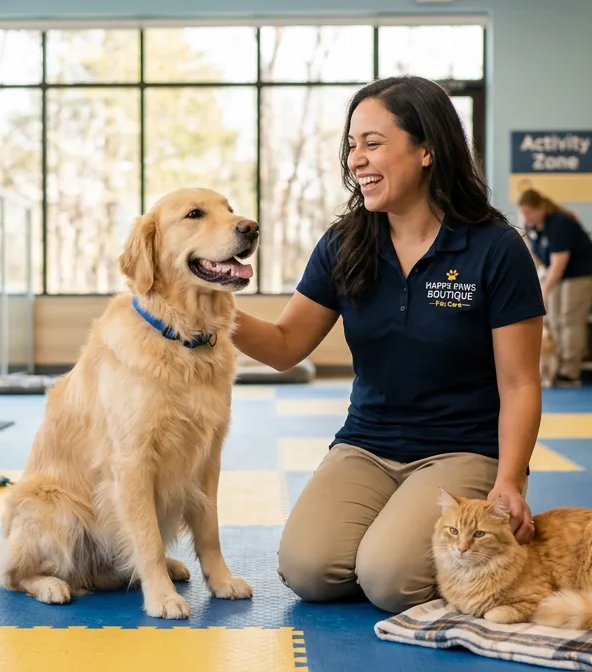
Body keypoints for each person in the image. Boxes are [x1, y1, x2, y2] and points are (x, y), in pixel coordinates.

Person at [230, 75, 545, 614]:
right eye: (351, 145)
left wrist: (510, 481)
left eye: (372, 143)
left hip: (461, 449)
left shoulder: (494, 247)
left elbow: (519, 382)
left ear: (426, 149)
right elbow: (285, 346)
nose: (356, 160)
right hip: (366, 445)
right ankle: (396, 529)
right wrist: (204, 309)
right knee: (308, 570)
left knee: (388, 581)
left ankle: (420, 548)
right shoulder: (345, 242)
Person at [517, 189, 592, 388]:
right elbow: (538, 259)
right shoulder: (534, 228)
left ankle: (569, 372)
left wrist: (543, 290)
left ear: (540, 208)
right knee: (553, 318)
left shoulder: (558, 223)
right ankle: (555, 368)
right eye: (523, 213)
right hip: (560, 275)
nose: (526, 217)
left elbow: (559, 263)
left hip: (581, 272)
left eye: (529, 212)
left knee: (569, 318)